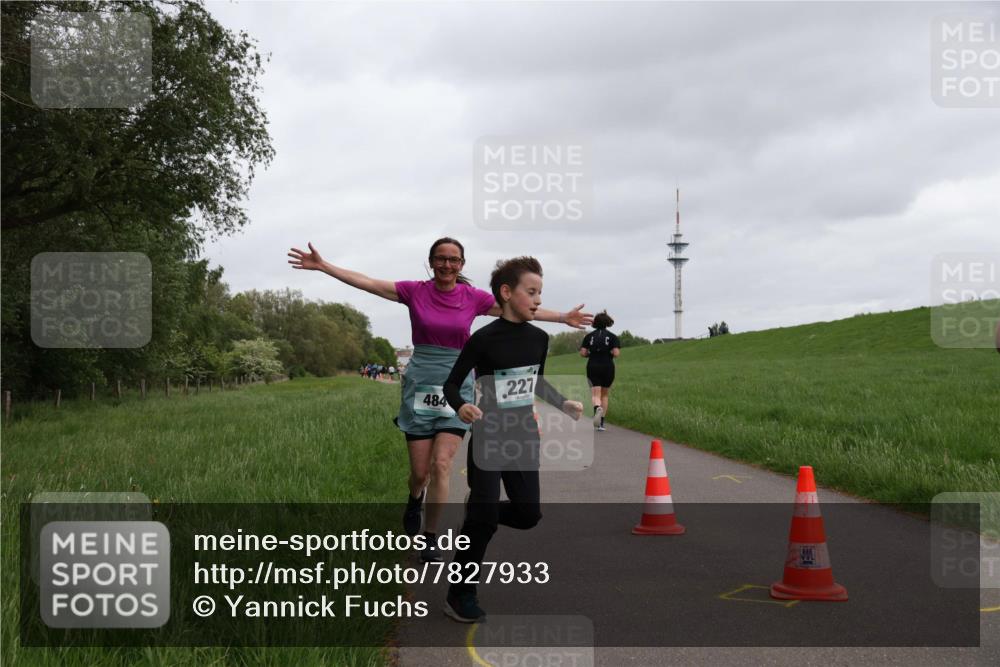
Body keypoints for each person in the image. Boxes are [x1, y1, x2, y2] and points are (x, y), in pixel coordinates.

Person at [288, 238, 591, 562]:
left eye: (454, 260)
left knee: (442, 463)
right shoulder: (414, 291)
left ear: (462, 265)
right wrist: (324, 266)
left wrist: (563, 317)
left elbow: (519, 304)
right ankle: (415, 497)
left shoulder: (472, 297)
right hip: (421, 383)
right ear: (431, 262)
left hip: (457, 386)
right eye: (441, 259)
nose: (447, 265)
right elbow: (370, 283)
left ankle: (430, 537)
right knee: (421, 473)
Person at [442, 256, 584, 623]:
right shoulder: (483, 339)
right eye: (531, 292)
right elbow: (451, 385)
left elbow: (536, 382)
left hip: (523, 436)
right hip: (489, 435)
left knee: (527, 514)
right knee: (484, 518)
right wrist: (461, 406)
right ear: (506, 293)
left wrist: (563, 403)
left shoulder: (539, 338)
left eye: (540, 293)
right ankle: (460, 593)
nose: (538, 300)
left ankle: (479, 511)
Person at [579, 311, 620, 431]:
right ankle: (601, 423)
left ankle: (597, 408)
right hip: (608, 366)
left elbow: (583, 353)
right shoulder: (613, 337)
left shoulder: (589, 336)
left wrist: (591, 354)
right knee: (605, 395)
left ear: (595, 323)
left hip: (593, 365)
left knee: (595, 394)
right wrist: (608, 353)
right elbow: (616, 353)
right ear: (607, 322)